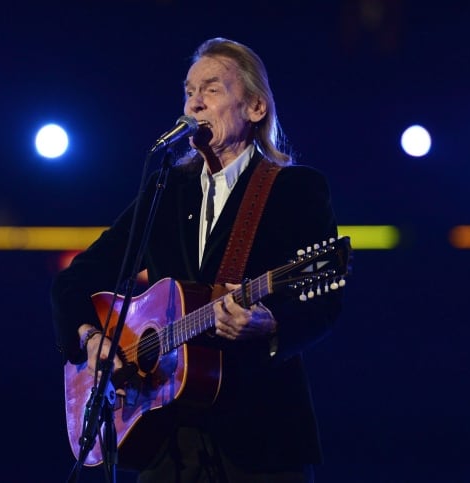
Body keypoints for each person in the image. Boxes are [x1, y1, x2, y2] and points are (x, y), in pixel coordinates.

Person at [51, 37, 344, 483]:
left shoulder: (295, 190)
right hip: (167, 437)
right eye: (189, 91)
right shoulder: (166, 192)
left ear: (255, 108)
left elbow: (323, 307)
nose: (194, 104)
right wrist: (92, 339)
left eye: (211, 89)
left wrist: (270, 326)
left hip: (259, 436)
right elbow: (76, 281)